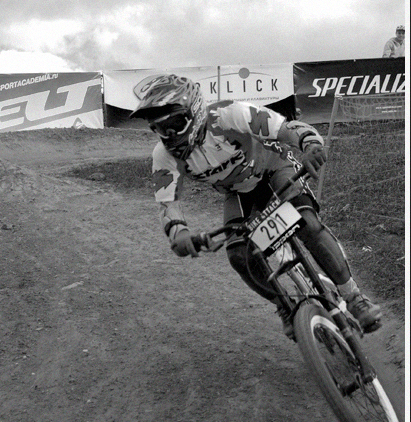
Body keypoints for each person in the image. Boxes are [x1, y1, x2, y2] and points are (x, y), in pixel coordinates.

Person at [130, 74, 382, 338]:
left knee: (305, 222)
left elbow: (285, 129)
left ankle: (354, 296)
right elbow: (168, 202)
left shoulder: (228, 115)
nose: (169, 135)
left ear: (194, 111)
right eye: (160, 129)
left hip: (274, 169)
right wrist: (179, 233)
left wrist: (310, 144)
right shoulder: (163, 155)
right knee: (239, 256)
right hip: (239, 193)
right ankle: (285, 306)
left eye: (175, 123)